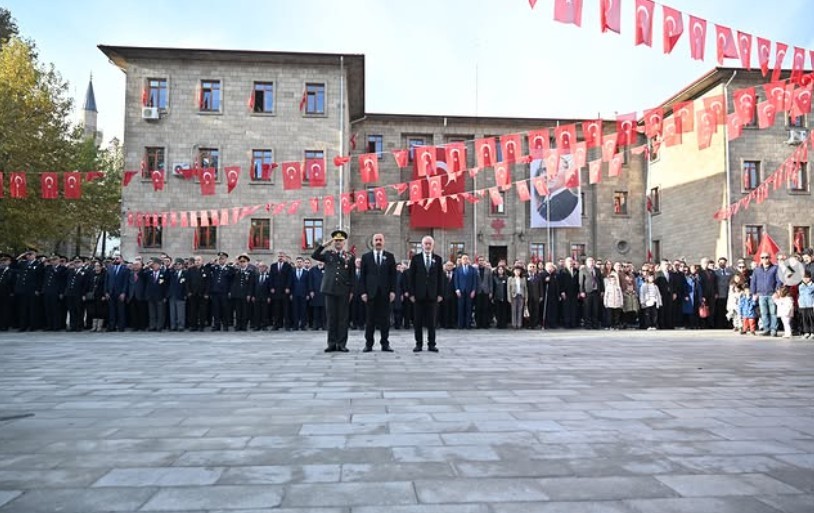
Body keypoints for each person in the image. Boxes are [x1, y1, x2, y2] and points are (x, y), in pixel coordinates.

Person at [312, 229, 355, 352]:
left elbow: (352, 275)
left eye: (340, 241)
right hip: (330, 290)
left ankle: (341, 343)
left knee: (343, 318)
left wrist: (351, 291)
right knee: (331, 318)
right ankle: (331, 343)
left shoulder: (349, 256)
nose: (338, 243)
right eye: (336, 240)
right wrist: (324, 245)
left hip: (344, 291)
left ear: (344, 242)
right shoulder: (328, 254)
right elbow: (314, 255)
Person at [360, 233, 397, 351]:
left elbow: (393, 276)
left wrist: (393, 291)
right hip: (370, 293)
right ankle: (369, 344)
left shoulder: (390, 257)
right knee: (370, 320)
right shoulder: (366, 257)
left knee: (385, 320)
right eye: (376, 240)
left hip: (385, 293)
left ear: (384, 241)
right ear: (373, 242)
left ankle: (385, 343)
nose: (378, 242)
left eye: (380, 239)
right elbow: (362, 276)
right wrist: (363, 292)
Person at [407, 235, 444, 352]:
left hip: (432, 295)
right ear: (422, 245)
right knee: (417, 321)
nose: (428, 246)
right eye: (426, 244)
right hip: (418, 295)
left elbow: (440, 278)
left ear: (433, 246)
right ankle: (418, 344)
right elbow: (411, 277)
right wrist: (411, 294)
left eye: (430, 244)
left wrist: (440, 294)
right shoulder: (416, 259)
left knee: (432, 322)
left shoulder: (438, 259)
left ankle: (431, 344)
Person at [750, 252, 782, 337]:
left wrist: (777, 291)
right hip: (761, 294)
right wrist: (753, 293)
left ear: (770, 258)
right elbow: (753, 282)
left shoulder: (775, 268)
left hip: (772, 294)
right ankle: (766, 329)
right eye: (763, 258)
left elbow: (779, 281)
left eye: (767, 257)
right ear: (760, 259)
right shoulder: (757, 270)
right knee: (763, 313)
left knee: (773, 313)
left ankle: (773, 330)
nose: (765, 259)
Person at [104, 253, 130, 332]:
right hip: (111, 292)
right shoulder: (110, 268)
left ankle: (121, 326)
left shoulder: (125, 269)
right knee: (111, 311)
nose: (116, 260)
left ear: (121, 260)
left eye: (118, 258)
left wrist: (123, 293)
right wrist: (106, 292)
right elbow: (106, 281)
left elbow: (126, 282)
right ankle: (112, 326)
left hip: (120, 293)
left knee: (120, 311)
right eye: (114, 258)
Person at [230, 254, 256, 331]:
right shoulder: (236, 271)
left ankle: (244, 325)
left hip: (245, 295)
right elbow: (229, 274)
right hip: (237, 294)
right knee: (238, 311)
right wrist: (235, 263)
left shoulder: (250, 272)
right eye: (240, 261)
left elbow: (251, 284)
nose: (242, 263)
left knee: (245, 311)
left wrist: (249, 294)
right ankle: (238, 325)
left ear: (247, 262)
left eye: (243, 261)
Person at [453, 254, 478, 329]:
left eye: (466, 259)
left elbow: (474, 281)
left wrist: (473, 290)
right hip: (460, 291)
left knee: (469, 308)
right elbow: (456, 280)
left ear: (468, 260)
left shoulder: (472, 269)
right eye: (464, 259)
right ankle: (460, 324)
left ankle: (468, 324)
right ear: (461, 260)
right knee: (460, 308)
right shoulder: (458, 269)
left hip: (469, 291)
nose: (465, 260)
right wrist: (457, 290)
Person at [144, 257, 169, 331]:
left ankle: (159, 326)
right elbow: (141, 274)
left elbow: (166, 286)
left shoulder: (163, 273)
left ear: (159, 265)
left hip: (160, 296)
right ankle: (152, 326)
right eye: (153, 264)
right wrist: (148, 266)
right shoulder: (149, 273)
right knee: (152, 313)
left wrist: (165, 296)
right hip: (150, 296)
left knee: (160, 313)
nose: (153, 266)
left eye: (155, 264)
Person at [270, 251, 293, 330]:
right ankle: (276, 324)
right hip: (276, 290)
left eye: (282, 256)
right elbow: (271, 277)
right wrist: (271, 287)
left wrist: (288, 287)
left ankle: (287, 325)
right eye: (279, 256)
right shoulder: (273, 266)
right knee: (276, 308)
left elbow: (290, 278)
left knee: (286, 308)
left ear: (285, 257)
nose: (280, 258)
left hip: (284, 290)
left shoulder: (288, 266)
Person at [579, 257, 604, 329]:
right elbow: (581, 282)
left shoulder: (597, 270)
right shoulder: (583, 270)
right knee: (587, 309)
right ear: (587, 262)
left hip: (596, 291)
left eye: (593, 261)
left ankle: (595, 324)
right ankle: (588, 324)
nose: (592, 262)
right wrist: (581, 291)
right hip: (587, 292)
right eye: (590, 261)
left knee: (595, 309)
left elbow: (600, 280)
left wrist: (602, 290)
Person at [168, 258, 189, 331]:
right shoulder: (172, 273)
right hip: (172, 294)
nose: (177, 266)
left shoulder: (185, 273)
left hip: (181, 295)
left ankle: (181, 325)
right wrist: (171, 266)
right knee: (172, 312)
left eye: (179, 264)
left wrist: (186, 294)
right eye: (176, 264)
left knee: (181, 312)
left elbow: (187, 285)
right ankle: (173, 325)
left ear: (183, 265)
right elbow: (166, 276)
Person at [291, 257, 310, 331]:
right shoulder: (292, 272)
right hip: (295, 293)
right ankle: (295, 325)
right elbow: (291, 283)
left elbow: (308, 284)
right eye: (298, 262)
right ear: (296, 263)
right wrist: (291, 294)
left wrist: (308, 294)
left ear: (302, 263)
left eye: (300, 262)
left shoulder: (306, 273)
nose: (299, 263)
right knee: (295, 310)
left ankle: (303, 325)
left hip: (303, 294)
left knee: (303, 310)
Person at [714, 257, 734, 329]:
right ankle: (720, 325)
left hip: (728, 294)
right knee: (720, 311)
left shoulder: (730, 271)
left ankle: (728, 324)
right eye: (720, 262)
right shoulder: (715, 272)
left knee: (728, 309)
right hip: (719, 294)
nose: (722, 264)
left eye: (724, 262)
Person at [474, 255, 493, 329]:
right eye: (480, 260)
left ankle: (485, 324)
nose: (481, 262)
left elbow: (490, 281)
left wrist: (491, 292)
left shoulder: (488, 270)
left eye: (482, 260)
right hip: (478, 291)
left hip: (486, 291)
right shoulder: (475, 270)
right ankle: (478, 324)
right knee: (478, 308)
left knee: (485, 308)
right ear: (478, 261)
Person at [507, 265, 527, 329]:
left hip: (521, 295)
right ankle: (514, 324)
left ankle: (519, 324)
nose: (517, 272)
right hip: (513, 296)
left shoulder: (523, 279)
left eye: (519, 271)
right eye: (516, 271)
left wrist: (526, 297)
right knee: (513, 310)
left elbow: (525, 289)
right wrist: (509, 298)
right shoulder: (510, 279)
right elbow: (508, 289)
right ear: (513, 271)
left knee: (520, 310)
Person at [798, 271, 814, 339]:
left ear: (810, 278)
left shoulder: (812, 285)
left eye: (807, 277)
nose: (805, 279)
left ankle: (812, 332)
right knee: (804, 319)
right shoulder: (801, 286)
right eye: (804, 277)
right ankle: (806, 331)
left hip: (810, 305)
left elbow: (809, 291)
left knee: (811, 319)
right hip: (803, 305)